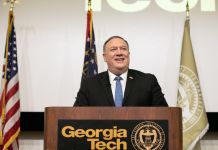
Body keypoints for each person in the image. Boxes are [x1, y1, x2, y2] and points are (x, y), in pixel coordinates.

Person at [74, 36, 168, 106]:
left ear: (128, 54)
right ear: (105, 57)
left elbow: (165, 115)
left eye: (123, 49)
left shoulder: (148, 81)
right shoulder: (90, 84)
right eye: (113, 49)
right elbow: (76, 117)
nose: (119, 53)